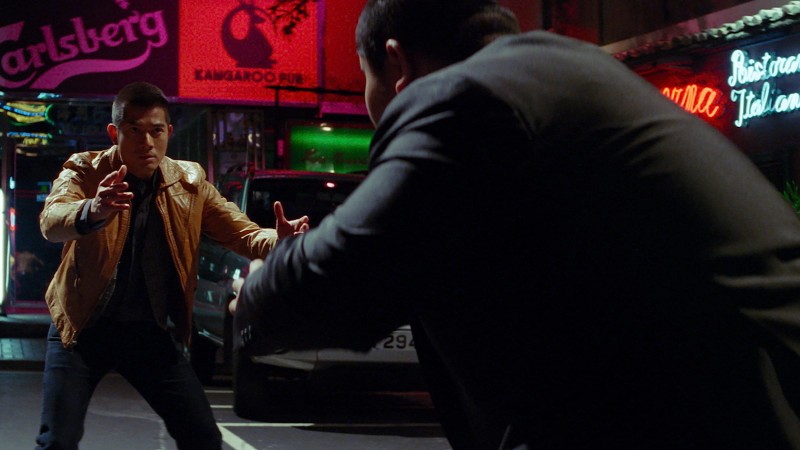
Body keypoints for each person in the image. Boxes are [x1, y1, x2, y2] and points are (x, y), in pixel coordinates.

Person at [230, 1, 800, 448]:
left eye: (365, 78)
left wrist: (257, 286)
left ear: (397, 63)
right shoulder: (563, 78)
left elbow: (338, 281)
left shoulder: (468, 96)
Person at [35, 81, 309, 450]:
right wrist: (93, 210)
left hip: (147, 332)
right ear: (115, 133)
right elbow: (52, 220)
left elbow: (243, 234)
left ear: (169, 132)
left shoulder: (190, 183)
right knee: (57, 441)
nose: (147, 142)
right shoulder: (86, 170)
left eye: (156, 131)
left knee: (203, 438)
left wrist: (281, 241)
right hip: (81, 328)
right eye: (135, 130)